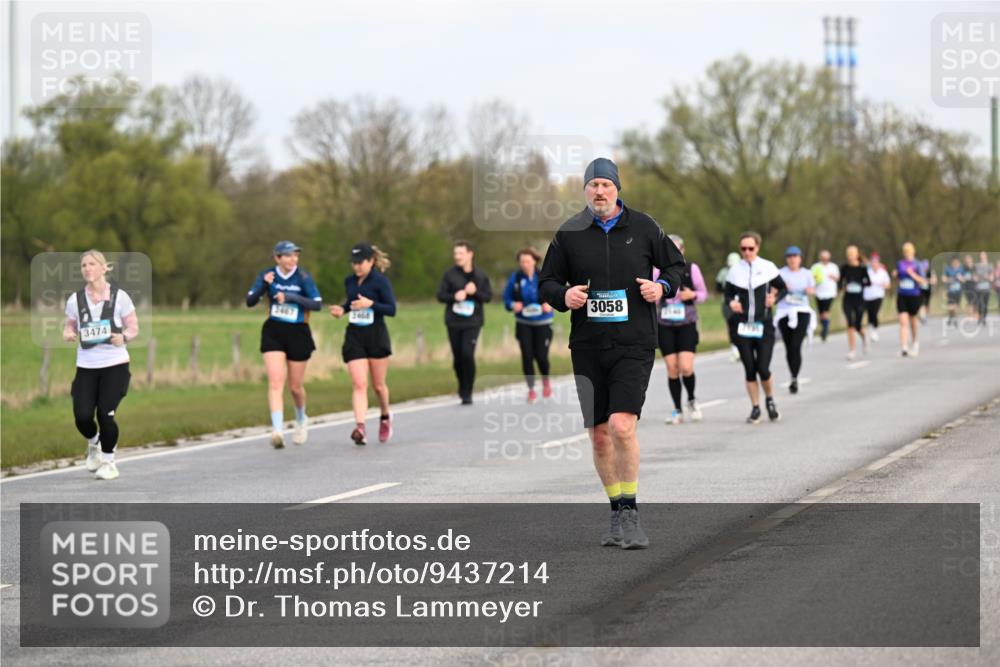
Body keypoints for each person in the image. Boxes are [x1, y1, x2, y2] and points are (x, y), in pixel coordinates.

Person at [539, 157, 684, 550]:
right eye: (592, 185)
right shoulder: (569, 233)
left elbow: (675, 267)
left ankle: (632, 511)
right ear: (584, 190)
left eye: (606, 184)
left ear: (617, 188)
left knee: (621, 425)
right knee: (600, 436)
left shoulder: (644, 227)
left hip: (634, 343)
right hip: (587, 346)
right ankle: (616, 509)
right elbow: (546, 281)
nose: (599, 191)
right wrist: (562, 296)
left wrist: (663, 289)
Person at [63, 250, 139, 480]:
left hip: (115, 364)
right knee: (83, 416)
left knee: (105, 414)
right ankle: (94, 443)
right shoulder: (75, 300)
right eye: (84, 265)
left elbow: (134, 328)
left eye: (92, 264)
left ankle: (109, 462)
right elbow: (69, 326)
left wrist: (123, 337)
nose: (87, 268)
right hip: (86, 366)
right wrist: (67, 333)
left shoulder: (120, 297)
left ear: (104, 268)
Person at [246, 241, 322, 448]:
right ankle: (277, 430)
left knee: (295, 387)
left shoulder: (303, 277)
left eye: (295, 255)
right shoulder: (268, 275)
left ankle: (300, 418)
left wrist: (291, 297)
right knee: (275, 382)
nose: (292, 260)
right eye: (287, 256)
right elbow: (250, 300)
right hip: (274, 331)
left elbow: (317, 304)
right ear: (277, 258)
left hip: (298, 331)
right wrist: (263, 285)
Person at [329, 243, 397, 445]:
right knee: (359, 383)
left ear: (371, 261)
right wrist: (342, 309)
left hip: (376, 336)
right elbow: (352, 303)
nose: (357, 267)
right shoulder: (350, 281)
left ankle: (385, 416)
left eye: (361, 263)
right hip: (355, 336)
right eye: (354, 263)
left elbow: (391, 309)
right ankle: (360, 427)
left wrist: (371, 305)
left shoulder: (380, 282)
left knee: (378, 386)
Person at [725, 231, 786, 424]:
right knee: (750, 369)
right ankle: (755, 408)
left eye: (750, 248)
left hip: (764, 324)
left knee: (763, 368)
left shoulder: (768, 267)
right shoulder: (735, 271)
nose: (747, 252)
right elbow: (727, 295)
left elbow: (783, 288)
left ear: (757, 248)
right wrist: (731, 304)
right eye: (743, 249)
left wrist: (774, 297)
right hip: (742, 326)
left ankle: (770, 400)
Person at [655, 234, 707, 425]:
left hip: (687, 323)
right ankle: (677, 409)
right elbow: (649, 292)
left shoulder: (691, 269)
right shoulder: (655, 270)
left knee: (685, 366)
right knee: (672, 368)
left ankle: (692, 399)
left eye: (676, 249)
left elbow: (703, 294)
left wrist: (692, 294)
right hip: (665, 324)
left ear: (682, 251)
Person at [437, 241, 492, 405]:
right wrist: (454, 296)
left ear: (470, 254)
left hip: (473, 322)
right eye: (455, 254)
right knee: (458, 358)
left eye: (460, 253)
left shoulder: (480, 276)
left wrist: (475, 292)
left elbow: (488, 297)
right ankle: (462, 384)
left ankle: (467, 391)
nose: (457, 257)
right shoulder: (449, 275)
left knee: (468, 354)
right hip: (453, 322)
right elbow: (440, 295)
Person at [502, 247, 554, 403]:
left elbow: (554, 294)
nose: (524, 264)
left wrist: (550, 304)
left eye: (527, 261)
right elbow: (507, 299)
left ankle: (546, 381)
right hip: (524, 323)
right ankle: (531, 389)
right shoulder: (516, 278)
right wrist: (512, 305)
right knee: (527, 356)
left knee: (541, 356)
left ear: (534, 261)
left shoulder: (543, 276)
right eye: (521, 261)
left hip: (543, 322)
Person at [775, 246, 816, 394]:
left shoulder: (807, 273)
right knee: (788, 346)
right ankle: (793, 376)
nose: (792, 259)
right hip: (784, 311)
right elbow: (773, 291)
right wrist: (782, 288)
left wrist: (807, 290)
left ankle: (795, 377)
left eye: (795, 256)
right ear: (786, 259)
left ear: (800, 258)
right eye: (789, 257)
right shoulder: (780, 273)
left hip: (802, 311)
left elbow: (812, 290)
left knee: (795, 344)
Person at [893, 242, 928, 357]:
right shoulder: (900, 263)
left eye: (909, 251)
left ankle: (915, 343)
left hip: (914, 295)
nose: (907, 254)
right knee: (903, 321)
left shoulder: (918, 264)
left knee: (913, 322)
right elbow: (898, 277)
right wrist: (895, 274)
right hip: (902, 295)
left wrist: (912, 274)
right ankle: (904, 347)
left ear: (913, 252)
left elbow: (923, 281)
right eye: (905, 252)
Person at [839, 245, 870, 360]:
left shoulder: (862, 268)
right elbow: (840, 282)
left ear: (857, 255)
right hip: (848, 299)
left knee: (857, 325)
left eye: (852, 254)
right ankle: (852, 350)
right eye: (849, 255)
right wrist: (842, 288)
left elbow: (868, 282)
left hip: (859, 299)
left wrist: (859, 284)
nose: (850, 257)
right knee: (850, 324)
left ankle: (863, 337)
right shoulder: (844, 268)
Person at [810, 250, 840, 342]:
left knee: (826, 312)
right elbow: (810, 278)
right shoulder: (816, 267)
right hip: (819, 293)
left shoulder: (833, 267)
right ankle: (825, 325)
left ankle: (825, 329)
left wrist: (833, 277)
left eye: (826, 258)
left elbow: (838, 278)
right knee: (821, 313)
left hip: (830, 293)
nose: (825, 260)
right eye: (823, 258)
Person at [716, 252, 741, 362]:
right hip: (727, 304)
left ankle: (742, 349)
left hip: (741, 303)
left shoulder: (743, 271)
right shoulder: (723, 272)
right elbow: (718, 287)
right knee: (732, 327)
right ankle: (735, 350)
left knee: (740, 326)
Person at [863, 252, 891, 342]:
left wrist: (883, 285)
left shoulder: (883, 272)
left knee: (875, 312)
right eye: (873, 262)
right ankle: (871, 327)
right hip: (867, 296)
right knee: (870, 314)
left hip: (878, 295)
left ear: (879, 263)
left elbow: (888, 285)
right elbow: (863, 282)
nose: (874, 264)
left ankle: (874, 330)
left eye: (876, 262)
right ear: (871, 263)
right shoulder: (867, 272)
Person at [942, 255, 967, 327]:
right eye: (954, 262)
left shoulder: (961, 269)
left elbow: (964, 279)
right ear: (952, 262)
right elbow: (943, 279)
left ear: (958, 262)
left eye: (957, 262)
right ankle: (951, 317)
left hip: (958, 291)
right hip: (950, 290)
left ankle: (954, 319)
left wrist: (960, 278)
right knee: (950, 307)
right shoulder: (948, 269)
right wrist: (949, 280)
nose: (955, 263)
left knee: (955, 306)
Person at [973, 251, 993, 327]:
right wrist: (975, 278)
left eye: (983, 255)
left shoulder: (990, 265)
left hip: (986, 287)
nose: (982, 257)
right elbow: (974, 276)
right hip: (978, 287)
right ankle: (980, 317)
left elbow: (991, 277)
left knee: (985, 304)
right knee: (979, 304)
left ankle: (984, 317)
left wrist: (989, 277)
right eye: (981, 255)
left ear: (986, 256)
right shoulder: (977, 265)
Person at [918, 258, 935, 323]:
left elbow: (934, 281)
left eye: (926, 267)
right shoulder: (919, 272)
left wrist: (927, 281)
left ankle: (925, 315)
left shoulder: (930, 272)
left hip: (928, 290)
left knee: (927, 304)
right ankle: (922, 316)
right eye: (923, 267)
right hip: (921, 290)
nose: (925, 268)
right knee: (921, 304)